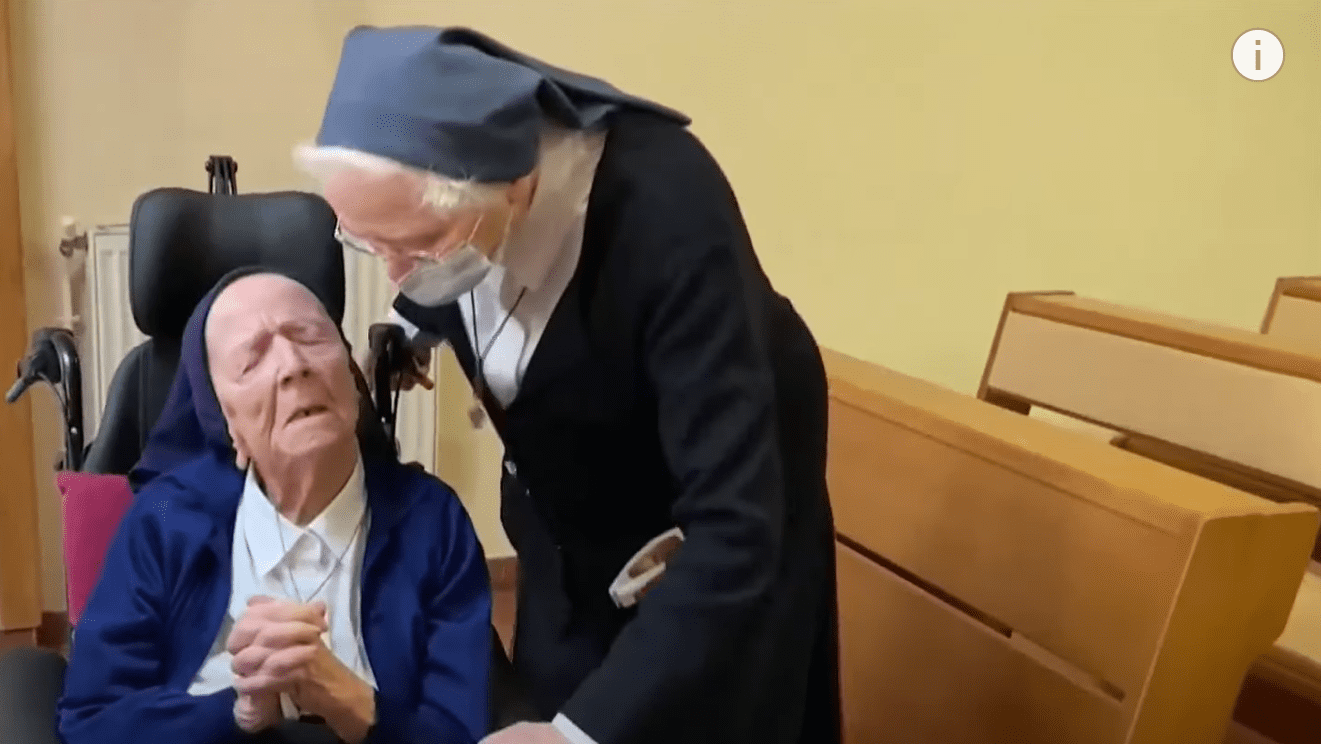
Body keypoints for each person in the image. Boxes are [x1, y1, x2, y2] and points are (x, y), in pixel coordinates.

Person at [293, 26, 842, 744]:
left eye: (419, 249)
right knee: (548, 693)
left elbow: (733, 530)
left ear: (516, 187)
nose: (400, 276)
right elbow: (426, 255)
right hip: (569, 526)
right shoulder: (448, 209)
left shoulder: (665, 212)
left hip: (718, 530)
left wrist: (576, 734)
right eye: (372, 245)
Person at [57, 268, 495, 744]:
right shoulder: (165, 520)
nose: (292, 366)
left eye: (310, 337)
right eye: (253, 359)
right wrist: (241, 711)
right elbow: (93, 720)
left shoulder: (432, 520)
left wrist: (352, 702)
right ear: (228, 423)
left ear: (350, 375)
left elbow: (460, 730)